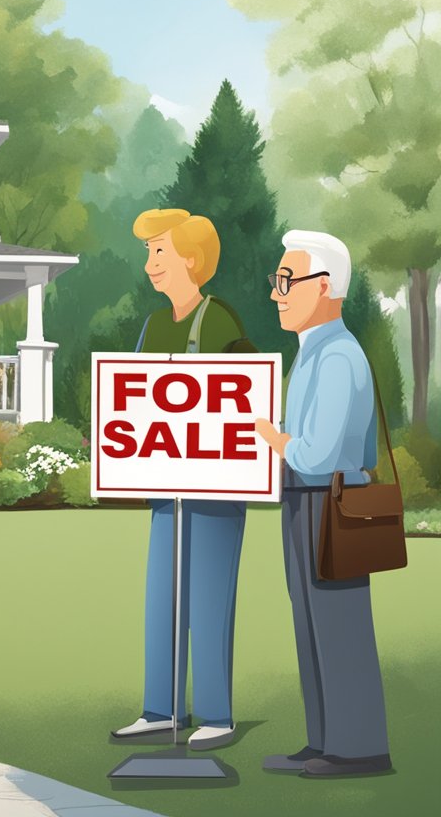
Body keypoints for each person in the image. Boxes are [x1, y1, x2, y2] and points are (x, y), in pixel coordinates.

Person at [112, 208, 255, 751]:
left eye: (159, 252)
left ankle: (217, 714)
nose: (150, 264)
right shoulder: (153, 325)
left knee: (209, 597)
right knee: (163, 597)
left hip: (215, 492)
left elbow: (244, 398)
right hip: (164, 488)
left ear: (191, 261)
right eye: (148, 252)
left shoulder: (220, 321)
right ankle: (161, 708)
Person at [254, 230, 392, 777]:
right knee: (310, 622)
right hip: (304, 501)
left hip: (330, 502)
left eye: (287, 281)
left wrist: (271, 436)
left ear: (326, 286)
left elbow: (316, 452)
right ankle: (325, 741)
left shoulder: (338, 356)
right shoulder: (311, 353)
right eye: (277, 280)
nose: (277, 293)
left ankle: (358, 748)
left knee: (339, 625)